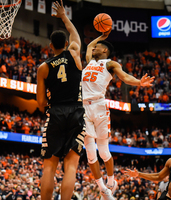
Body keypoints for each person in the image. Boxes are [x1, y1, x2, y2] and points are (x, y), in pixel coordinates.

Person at [82, 31, 154, 199]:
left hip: (100, 106)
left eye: (98, 47)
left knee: (104, 152)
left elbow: (125, 77)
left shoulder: (110, 64)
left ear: (105, 51)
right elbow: (89, 46)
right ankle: (103, 188)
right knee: (90, 154)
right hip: (83, 108)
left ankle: (111, 181)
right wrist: (100, 37)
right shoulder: (89, 61)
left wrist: (138, 82)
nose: (94, 48)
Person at [36, 0, 85, 199]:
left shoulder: (43, 67)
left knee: (49, 165)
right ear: (66, 44)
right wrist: (64, 16)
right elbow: (75, 35)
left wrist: (49, 108)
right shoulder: (74, 54)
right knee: (71, 165)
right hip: (76, 111)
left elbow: (40, 102)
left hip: (55, 111)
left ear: (50, 46)